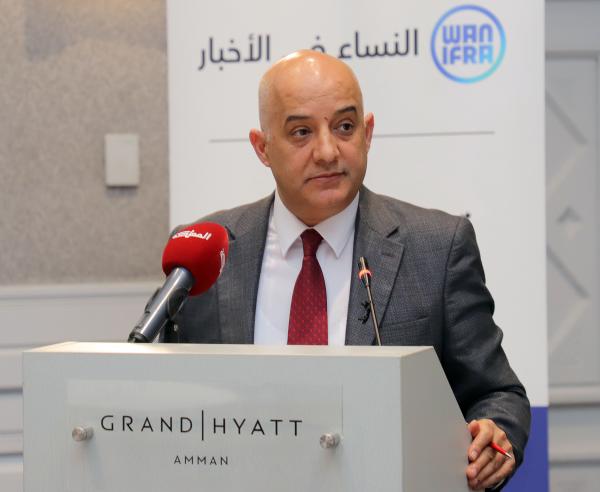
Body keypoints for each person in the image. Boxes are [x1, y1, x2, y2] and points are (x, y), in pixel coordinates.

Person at [163, 50, 530, 490]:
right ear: (262, 148)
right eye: (301, 132)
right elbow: (171, 402)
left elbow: (497, 393)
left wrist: (495, 434)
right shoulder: (208, 253)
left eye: (344, 127)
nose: (327, 151)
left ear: (367, 133)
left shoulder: (437, 247)